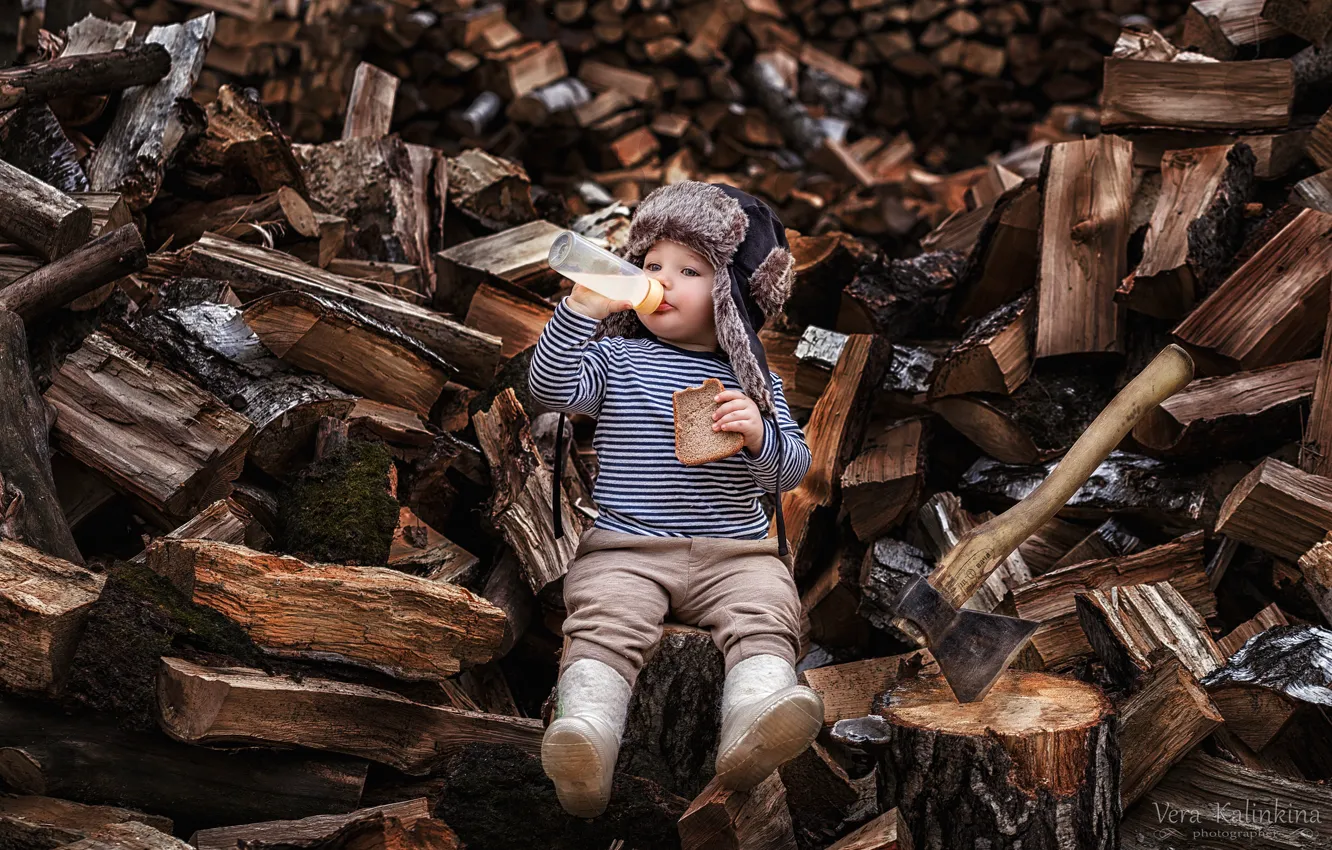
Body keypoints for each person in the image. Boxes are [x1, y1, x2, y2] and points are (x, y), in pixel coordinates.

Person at [527, 181, 822, 818]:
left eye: (690, 270)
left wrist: (756, 434)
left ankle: (754, 718)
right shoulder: (617, 358)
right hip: (629, 548)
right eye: (652, 264)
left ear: (734, 295)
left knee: (768, 609)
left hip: (737, 555)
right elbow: (550, 387)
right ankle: (587, 736)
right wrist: (580, 311)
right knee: (605, 619)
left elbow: (793, 469)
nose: (662, 280)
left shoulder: (755, 382)